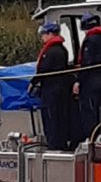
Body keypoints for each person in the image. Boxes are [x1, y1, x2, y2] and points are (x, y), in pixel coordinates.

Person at [30, 22, 74, 151]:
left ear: (50, 34)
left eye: (44, 34)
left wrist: (33, 82)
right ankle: (60, 141)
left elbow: (44, 69)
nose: (42, 37)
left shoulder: (51, 51)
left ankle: (54, 143)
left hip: (51, 89)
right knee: (59, 116)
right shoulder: (62, 49)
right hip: (60, 88)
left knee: (50, 117)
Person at [74, 13, 101, 143]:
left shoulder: (90, 40)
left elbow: (87, 63)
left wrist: (78, 81)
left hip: (91, 81)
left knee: (89, 110)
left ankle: (91, 138)